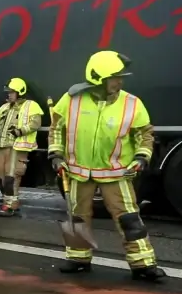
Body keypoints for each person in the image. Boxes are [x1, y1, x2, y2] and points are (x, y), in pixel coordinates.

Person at [48, 50, 165, 281]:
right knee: (77, 217)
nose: (120, 82)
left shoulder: (132, 103)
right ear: (98, 79)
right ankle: (78, 258)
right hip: (78, 171)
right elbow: (56, 129)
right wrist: (56, 155)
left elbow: (144, 135)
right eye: (115, 77)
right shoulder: (70, 100)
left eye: (121, 77)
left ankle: (143, 264)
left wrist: (141, 157)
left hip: (117, 172)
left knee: (129, 218)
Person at [0, 77, 44, 217]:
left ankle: (10, 205)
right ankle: (7, 201)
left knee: (12, 176)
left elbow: (35, 123)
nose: (9, 95)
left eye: (12, 92)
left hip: (17, 147)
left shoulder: (31, 105)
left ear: (20, 92)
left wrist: (20, 131)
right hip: (2, 146)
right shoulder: (4, 107)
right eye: (8, 92)